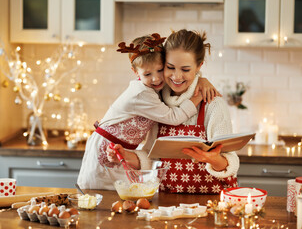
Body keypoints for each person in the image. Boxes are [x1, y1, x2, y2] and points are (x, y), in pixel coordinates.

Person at [77, 33, 220, 190]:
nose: (156, 79)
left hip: (121, 149)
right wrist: (198, 96)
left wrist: (201, 79)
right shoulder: (142, 94)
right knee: (100, 193)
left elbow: (183, 78)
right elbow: (173, 117)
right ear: (135, 72)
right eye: (147, 74)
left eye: (160, 70)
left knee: (123, 194)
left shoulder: (152, 88)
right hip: (106, 149)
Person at [107, 29, 239, 194]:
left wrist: (214, 160)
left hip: (212, 201)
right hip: (167, 204)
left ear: (199, 66)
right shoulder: (157, 102)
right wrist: (126, 156)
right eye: (170, 67)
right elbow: (151, 157)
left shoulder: (212, 103)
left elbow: (231, 162)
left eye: (185, 69)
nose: (177, 76)